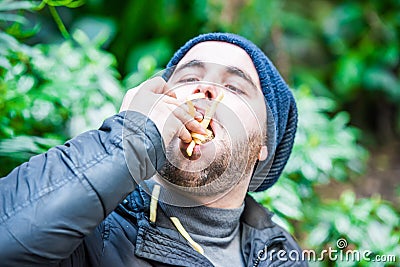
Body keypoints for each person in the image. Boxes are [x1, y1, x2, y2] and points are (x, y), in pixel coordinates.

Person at [0, 33, 307, 266]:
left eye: (234, 87)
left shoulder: (282, 255)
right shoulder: (92, 231)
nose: (204, 89)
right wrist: (132, 136)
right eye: (189, 78)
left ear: (264, 145)